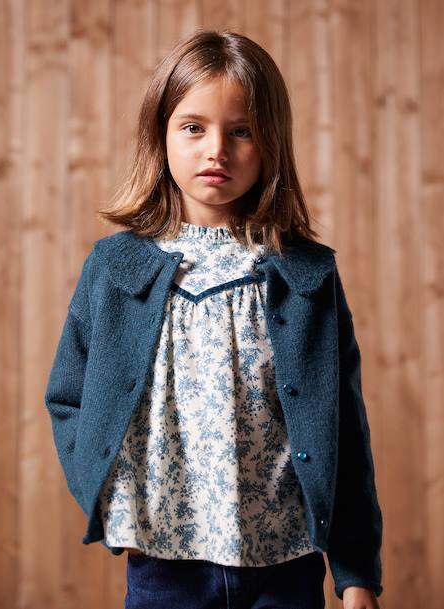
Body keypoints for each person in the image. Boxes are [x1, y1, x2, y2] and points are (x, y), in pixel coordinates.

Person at [44, 28, 383, 609]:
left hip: (287, 564)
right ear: (161, 135)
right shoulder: (115, 269)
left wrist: (356, 573)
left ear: (271, 141)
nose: (216, 150)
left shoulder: (307, 276)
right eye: (193, 127)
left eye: (241, 130)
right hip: (164, 565)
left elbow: (343, 431)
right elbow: (68, 397)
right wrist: (107, 496)